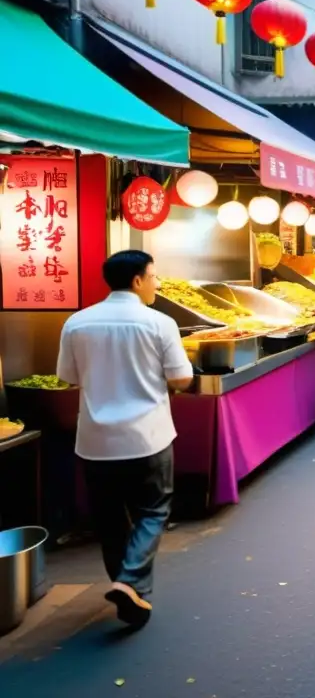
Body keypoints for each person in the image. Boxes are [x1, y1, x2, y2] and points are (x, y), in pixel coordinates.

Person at [55, 250, 194, 628]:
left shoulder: (77, 322)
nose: (157, 283)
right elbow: (181, 379)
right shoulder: (159, 322)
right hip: (147, 438)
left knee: (110, 520)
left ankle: (127, 594)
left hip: (96, 441)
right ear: (137, 280)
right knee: (153, 510)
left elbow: (68, 377)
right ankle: (130, 582)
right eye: (154, 276)